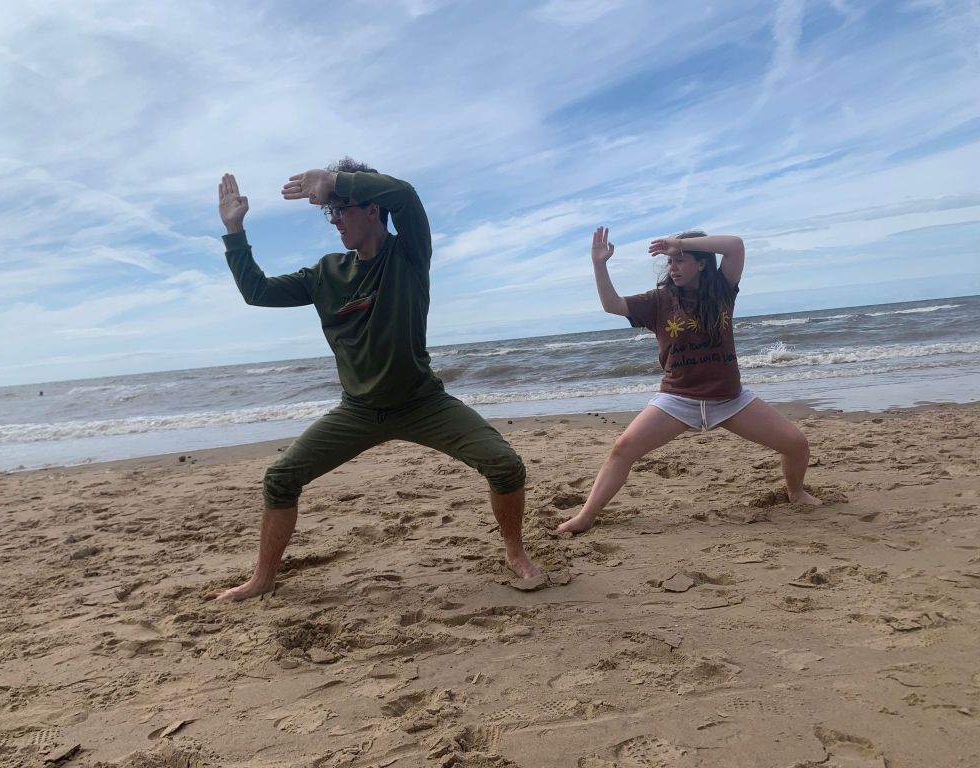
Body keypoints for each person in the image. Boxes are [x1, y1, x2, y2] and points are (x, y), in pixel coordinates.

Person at [215, 160, 541, 601]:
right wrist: (234, 232)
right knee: (280, 477)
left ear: (372, 209)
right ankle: (263, 578)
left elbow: (404, 195)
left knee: (505, 465)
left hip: (423, 402)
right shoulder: (325, 274)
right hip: (359, 410)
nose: (334, 222)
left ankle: (515, 552)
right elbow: (257, 292)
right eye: (329, 213)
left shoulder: (408, 255)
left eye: (340, 210)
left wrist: (334, 181)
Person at [558, 227, 822, 534]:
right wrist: (599, 264)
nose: (673, 266)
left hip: (729, 399)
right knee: (623, 448)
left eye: (680, 260)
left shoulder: (723, 289)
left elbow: (735, 245)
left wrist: (679, 243)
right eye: (670, 261)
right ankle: (586, 516)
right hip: (678, 399)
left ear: (702, 264)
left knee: (797, 445)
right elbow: (612, 304)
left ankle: (796, 492)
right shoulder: (659, 301)